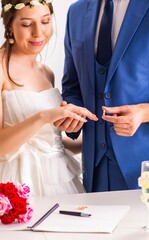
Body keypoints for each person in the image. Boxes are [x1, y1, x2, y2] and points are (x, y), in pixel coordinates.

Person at [59, 0, 149, 192]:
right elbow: (72, 85)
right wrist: (71, 112)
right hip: (94, 175)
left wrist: (148, 112)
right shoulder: (76, 12)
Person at [0, 0, 98, 196]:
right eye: (27, 24)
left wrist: (91, 142)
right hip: (17, 179)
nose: (38, 33)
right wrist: (45, 116)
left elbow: (48, 141)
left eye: (45, 21)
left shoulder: (46, 72)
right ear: (10, 25)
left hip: (56, 179)